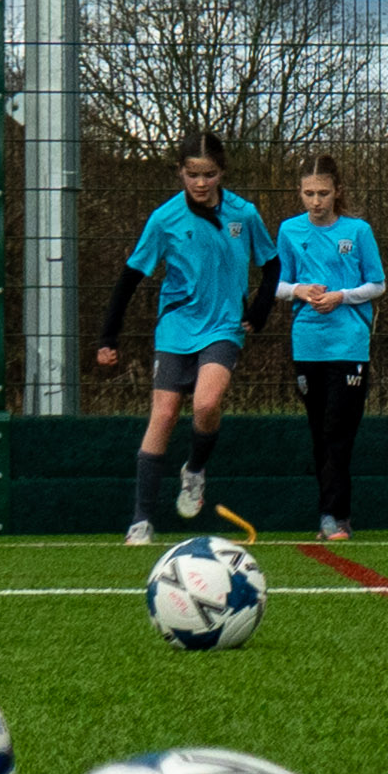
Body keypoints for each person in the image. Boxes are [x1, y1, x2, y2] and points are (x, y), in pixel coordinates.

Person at [95, 130, 278, 545]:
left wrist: (260, 312)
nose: (199, 183)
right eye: (191, 174)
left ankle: (194, 469)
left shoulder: (243, 215)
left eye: (208, 174)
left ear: (221, 173)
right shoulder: (164, 220)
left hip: (223, 326)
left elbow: (272, 264)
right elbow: (130, 278)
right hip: (176, 327)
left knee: (207, 402)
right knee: (163, 415)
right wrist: (108, 338)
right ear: (180, 172)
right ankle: (141, 519)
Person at [275, 154, 385, 542]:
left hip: (349, 346)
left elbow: (377, 284)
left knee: (339, 429)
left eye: (323, 193)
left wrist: (341, 296)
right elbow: (276, 284)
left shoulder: (357, 232)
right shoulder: (289, 231)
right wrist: (299, 291)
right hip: (308, 345)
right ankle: (333, 514)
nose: (316, 201)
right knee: (320, 429)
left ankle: (334, 516)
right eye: (309, 193)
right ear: (299, 193)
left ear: (337, 192)